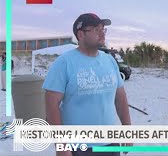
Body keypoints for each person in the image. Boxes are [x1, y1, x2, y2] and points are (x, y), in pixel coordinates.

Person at [43, 13, 132, 156]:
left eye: (103, 29)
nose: (102, 33)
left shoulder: (109, 60)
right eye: (96, 29)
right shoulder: (64, 62)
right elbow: (51, 104)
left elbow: (120, 97)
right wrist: (61, 146)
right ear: (81, 34)